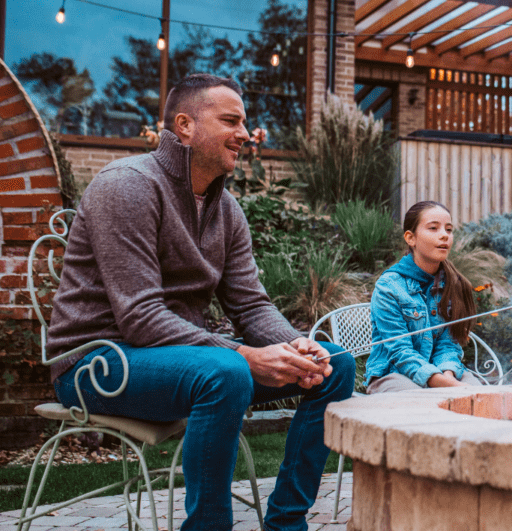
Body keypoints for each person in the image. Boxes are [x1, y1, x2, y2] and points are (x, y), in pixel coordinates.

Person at [46, 73, 356, 531]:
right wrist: (244, 355)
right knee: (226, 372)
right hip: (95, 361)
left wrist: (297, 345)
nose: (245, 133)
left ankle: (286, 523)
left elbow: (250, 306)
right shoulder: (128, 185)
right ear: (185, 125)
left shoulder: (226, 210)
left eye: (245, 122)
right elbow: (140, 317)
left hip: (177, 359)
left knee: (334, 366)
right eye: (231, 120)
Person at [364, 201, 481, 393]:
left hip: (440, 372)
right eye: (433, 228)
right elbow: (400, 353)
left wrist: (448, 375)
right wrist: (448, 386)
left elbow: (448, 344)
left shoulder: (450, 283)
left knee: (481, 396)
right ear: (411, 238)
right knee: (421, 404)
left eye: (449, 229)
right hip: (393, 374)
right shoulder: (389, 287)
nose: (444, 235)